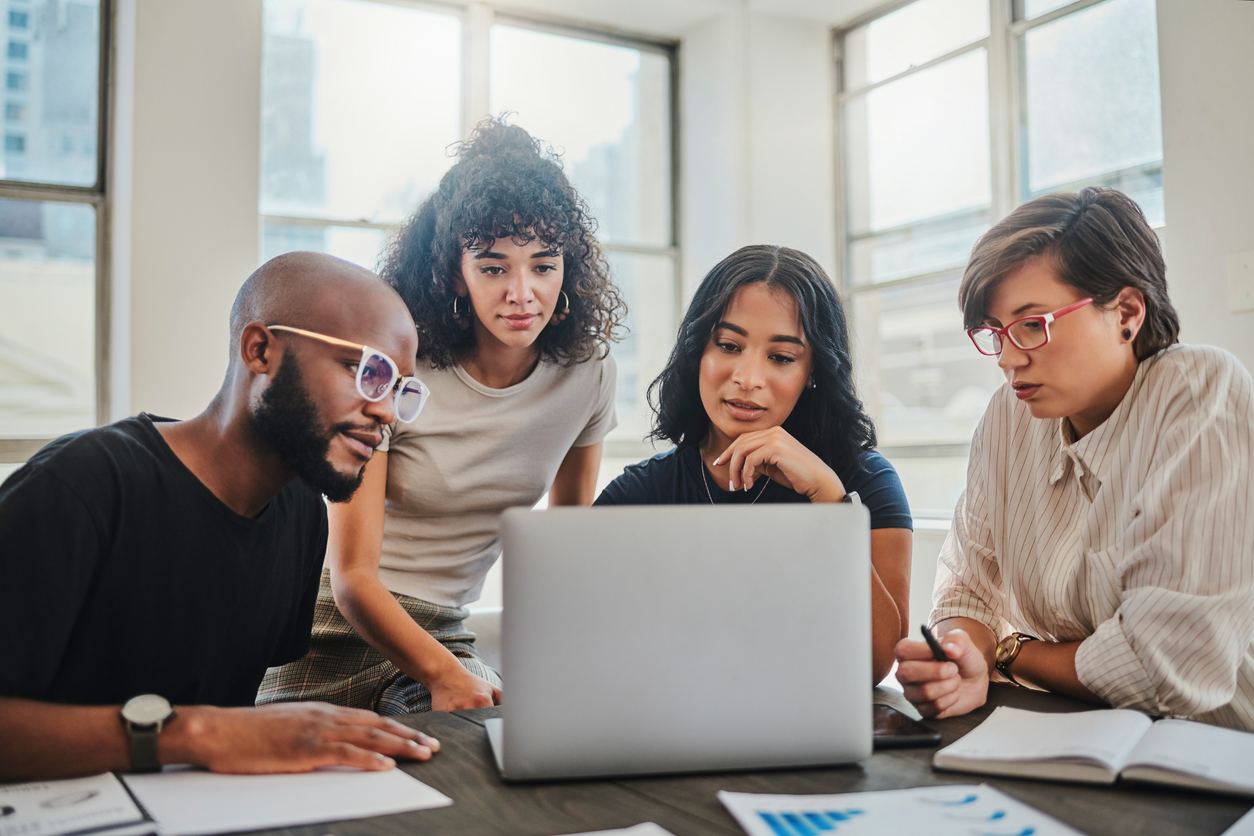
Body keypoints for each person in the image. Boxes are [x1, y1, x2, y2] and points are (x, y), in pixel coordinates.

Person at [0, 252, 442, 781]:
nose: (386, 412)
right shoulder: (81, 485)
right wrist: (192, 734)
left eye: (399, 388)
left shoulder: (301, 514)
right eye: (366, 371)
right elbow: (215, 730)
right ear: (260, 351)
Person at [257, 117, 625, 714]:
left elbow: (567, 550)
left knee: (491, 753)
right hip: (329, 629)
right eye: (493, 266)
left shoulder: (588, 377)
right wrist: (447, 677)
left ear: (569, 267)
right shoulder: (398, 373)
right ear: (454, 270)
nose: (523, 292)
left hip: (444, 633)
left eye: (544, 263)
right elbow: (353, 576)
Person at [894, 188, 1254, 730]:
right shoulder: (1009, 417)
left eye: (1033, 324)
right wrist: (960, 655)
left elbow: (1167, 668)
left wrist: (1008, 651)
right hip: (1072, 734)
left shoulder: (1200, 393)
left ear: (1127, 313)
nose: (1009, 359)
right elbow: (967, 588)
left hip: (1218, 753)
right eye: (995, 332)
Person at [595, 245, 913, 684]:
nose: (748, 378)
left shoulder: (865, 480)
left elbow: (874, 666)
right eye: (728, 345)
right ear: (697, 351)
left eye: (781, 357)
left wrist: (830, 500)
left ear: (813, 370)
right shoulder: (637, 495)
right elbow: (591, 651)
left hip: (810, 732)